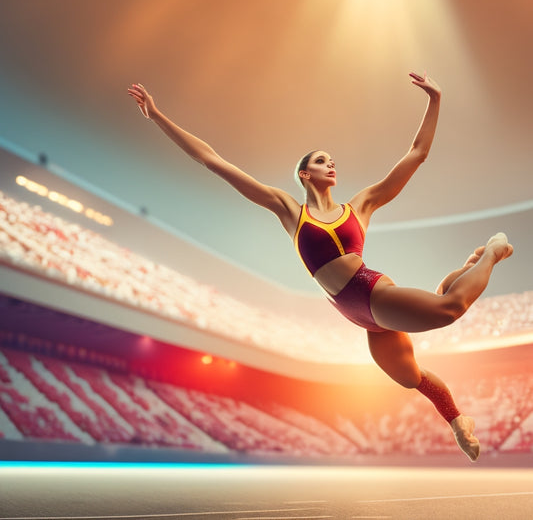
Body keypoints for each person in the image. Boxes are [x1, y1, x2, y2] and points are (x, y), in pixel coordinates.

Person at [127, 73, 513, 461]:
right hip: (357, 315)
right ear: (304, 174)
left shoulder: (359, 207)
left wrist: (435, 100)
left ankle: (493, 250)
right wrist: (158, 116)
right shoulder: (290, 211)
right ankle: (459, 420)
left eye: (332, 161)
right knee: (411, 377)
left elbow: (416, 154)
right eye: (321, 161)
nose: (331, 165)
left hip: (369, 290)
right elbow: (212, 160)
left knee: (447, 309)